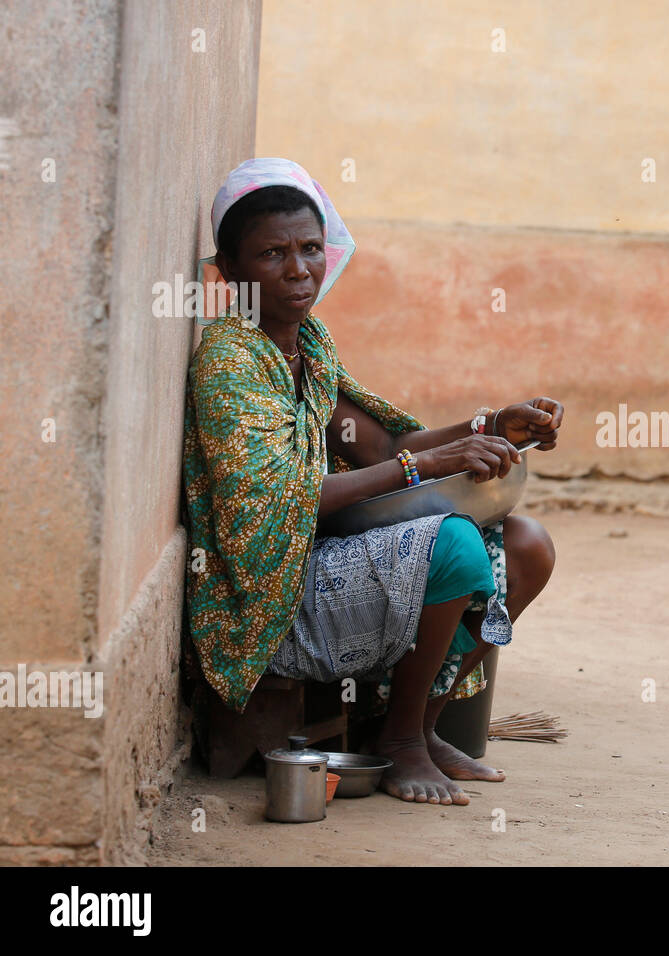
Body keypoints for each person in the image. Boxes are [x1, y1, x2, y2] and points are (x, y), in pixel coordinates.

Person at [183, 157, 560, 805]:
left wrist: (496, 422)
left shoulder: (309, 347)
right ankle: (400, 743)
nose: (299, 269)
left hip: (317, 557)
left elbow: (384, 444)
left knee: (527, 544)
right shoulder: (230, 360)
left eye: (309, 248)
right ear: (230, 270)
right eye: (272, 254)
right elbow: (280, 500)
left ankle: (418, 724)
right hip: (264, 594)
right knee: (455, 545)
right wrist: (424, 467)